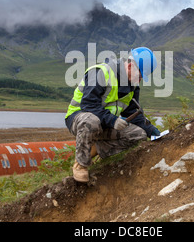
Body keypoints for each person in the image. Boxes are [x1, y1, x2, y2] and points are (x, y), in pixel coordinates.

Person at [65, 47, 161, 182]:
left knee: (139, 135)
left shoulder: (132, 86)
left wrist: (155, 133)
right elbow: (88, 105)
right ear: (129, 66)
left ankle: (92, 150)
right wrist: (112, 120)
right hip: (79, 118)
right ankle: (81, 164)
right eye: (140, 76)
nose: (140, 80)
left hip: (104, 124)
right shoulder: (99, 72)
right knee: (91, 121)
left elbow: (135, 113)